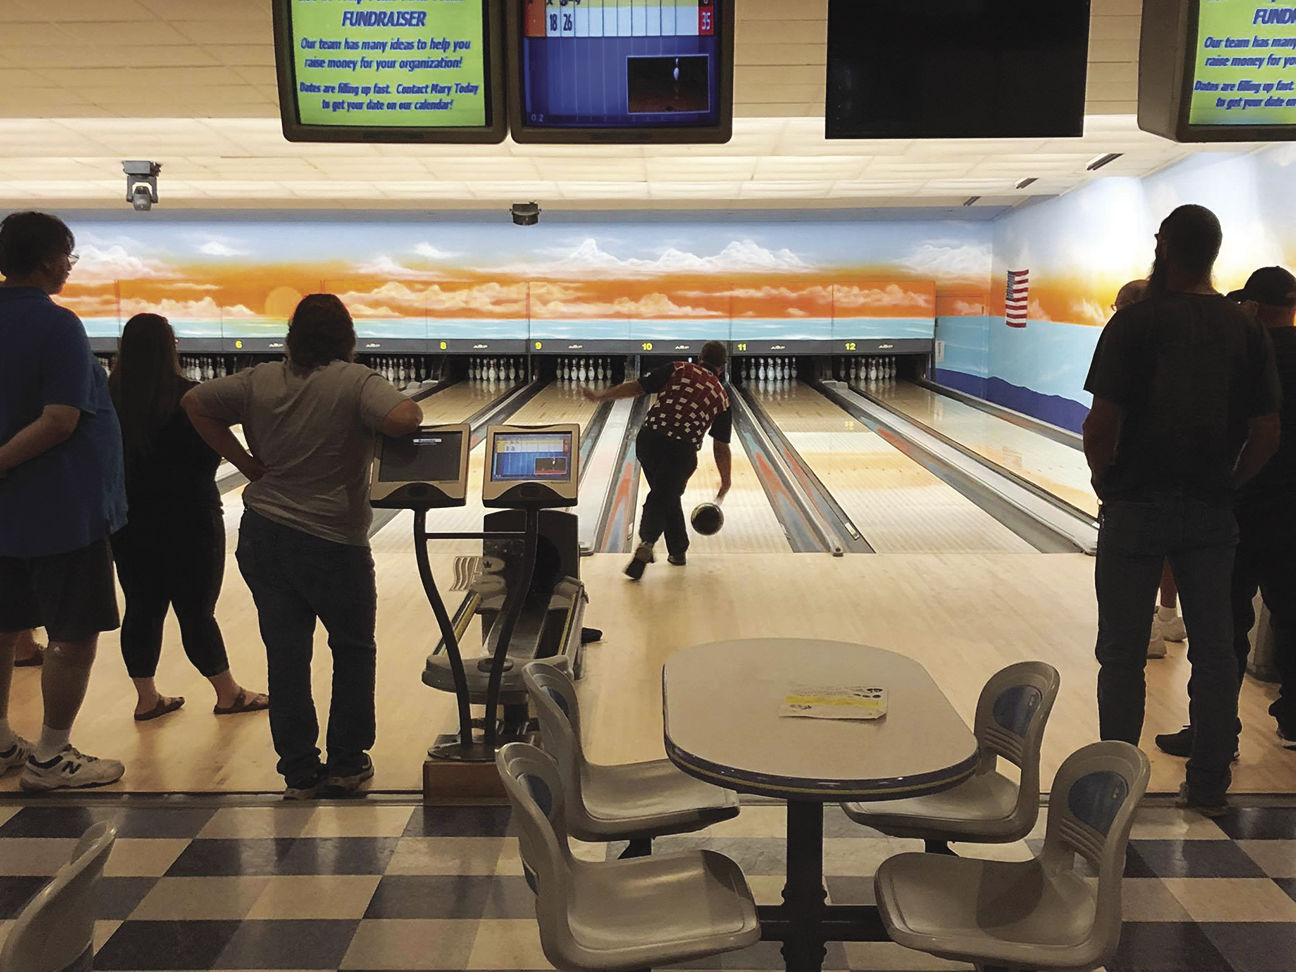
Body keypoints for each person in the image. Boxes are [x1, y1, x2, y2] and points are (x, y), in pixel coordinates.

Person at [183, 294, 421, 799]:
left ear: (291, 337)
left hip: (264, 534)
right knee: (352, 649)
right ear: (347, 339)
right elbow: (404, 417)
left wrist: (245, 463)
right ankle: (347, 763)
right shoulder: (355, 380)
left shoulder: (258, 379)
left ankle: (298, 771)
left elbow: (195, 402)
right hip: (332, 541)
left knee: (286, 655)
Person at [1084, 204, 1280, 815]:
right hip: (1211, 511)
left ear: (1164, 246)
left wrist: (1106, 483)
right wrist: (1231, 483)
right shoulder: (1246, 329)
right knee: (1217, 650)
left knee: (1121, 653)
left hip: (1135, 506)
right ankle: (1210, 783)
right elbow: (1267, 432)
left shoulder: (1133, 323)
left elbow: (1101, 425)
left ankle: (1117, 787)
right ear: (1214, 253)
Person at [0, 210, 126, 791]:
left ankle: (1, 743)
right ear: (51, 260)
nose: (69, 268)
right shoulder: (58, 324)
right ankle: (51, 756)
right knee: (73, 634)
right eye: (69, 257)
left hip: (10, 516)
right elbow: (59, 420)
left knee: (3, 627)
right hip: (60, 511)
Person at [1155, 266, 1296, 757]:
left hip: (1240, 510)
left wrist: (1224, 486)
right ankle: (1294, 723)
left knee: (1222, 628)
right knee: (1292, 616)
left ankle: (1215, 734)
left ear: (1253, 308)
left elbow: (1232, 432)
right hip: (1291, 516)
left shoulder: (1244, 357)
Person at [108, 313, 268, 722]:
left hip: (129, 522)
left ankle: (147, 699)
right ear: (171, 347)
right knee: (196, 611)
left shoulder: (107, 398)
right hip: (191, 518)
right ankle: (228, 694)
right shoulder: (193, 398)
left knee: (141, 607)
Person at [581, 342, 732, 579]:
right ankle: (647, 542)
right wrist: (726, 480)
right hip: (682, 451)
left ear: (699, 357)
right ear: (722, 367)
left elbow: (637, 387)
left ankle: (678, 550)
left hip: (649, 441)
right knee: (664, 493)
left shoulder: (678, 368)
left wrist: (602, 396)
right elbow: (721, 446)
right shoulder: (722, 397)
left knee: (665, 493)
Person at [1112, 277, 1189, 658]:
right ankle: (1169, 617)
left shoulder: (1127, 351)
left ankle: (1146, 632)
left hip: (1138, 474)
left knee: (1136, 553)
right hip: (1185, 468)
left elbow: (1105, 420)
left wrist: (1103, 476)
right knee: (1169, 546)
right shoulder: (1185, 348)